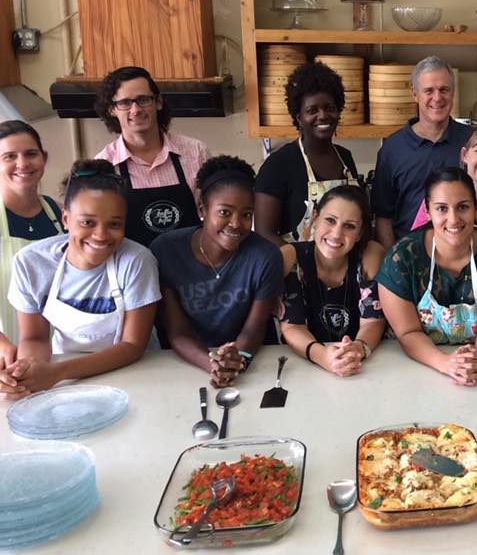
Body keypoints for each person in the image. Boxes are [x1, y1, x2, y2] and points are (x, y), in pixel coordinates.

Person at [0, 159, 161, 398]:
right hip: (66, 370)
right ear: (66, 219)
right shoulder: (31, 263)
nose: (100, 235)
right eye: (87, 222)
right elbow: (34, 337)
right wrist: (27, 370)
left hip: (136, 370)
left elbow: (132, 346)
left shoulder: (137, 261)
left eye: (114, 224)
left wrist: (56, 373)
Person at [377, 168, 477, 386]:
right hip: (413, 370)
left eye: (463, 207)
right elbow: (408, 332)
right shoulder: (402, 259)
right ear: (427, 211)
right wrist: (447, 364)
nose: (453, 219)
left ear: (475, 208)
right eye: (441, 209)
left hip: (474, 370)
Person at [151, 156, 282, 386]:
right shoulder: (166, 251)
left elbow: (254, 328)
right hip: (187, 363)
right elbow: (177, 332)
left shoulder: (265, 256)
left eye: (246, 214)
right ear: (202, 208)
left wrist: (237, 361)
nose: (235, 223)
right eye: (224, 212)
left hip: (252, 362)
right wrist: (212, 364)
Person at [94, 66, 209, 247]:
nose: (135, 109)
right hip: (134, 271)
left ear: (158, 102)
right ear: (112, 110)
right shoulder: (104, 166)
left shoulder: (196, 153)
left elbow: (212, 215)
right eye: (125, 103)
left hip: (192, 268)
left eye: (143, 99)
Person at [280, 185, 385, 377]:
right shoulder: (291, 256)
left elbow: (373, 322)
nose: (337, 234)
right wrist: (323, 357)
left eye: (349, 226)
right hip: (306, 367)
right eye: (330, 220)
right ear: (315, 219)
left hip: (360, 367)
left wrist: (357, 349)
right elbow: (292, 327)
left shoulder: (370, 255)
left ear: (360, 233)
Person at [255, 61, 359, 246]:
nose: (323, 116)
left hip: (344, 267)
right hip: (297, 269)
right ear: (299, 117)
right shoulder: (278, 165)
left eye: (330, 108)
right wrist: (304, 264)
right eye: (312, 110)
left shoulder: (345, 158)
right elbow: (264, 234)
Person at [371, 56, 472, 248]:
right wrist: (394, 261)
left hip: (463, 253)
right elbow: (384, 216)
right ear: (415, 94)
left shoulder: (472, 141)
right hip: (409, 258)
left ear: (453, 92)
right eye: (429, 91)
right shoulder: (392, 149)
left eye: (444, 89)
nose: (437, 98)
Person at [0, 120, 63, 344]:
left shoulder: (61, 213)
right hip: (6, 352)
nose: (22, 164)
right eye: (9, 156)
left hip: (61, 350)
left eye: (30, 154)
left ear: (44, 158)